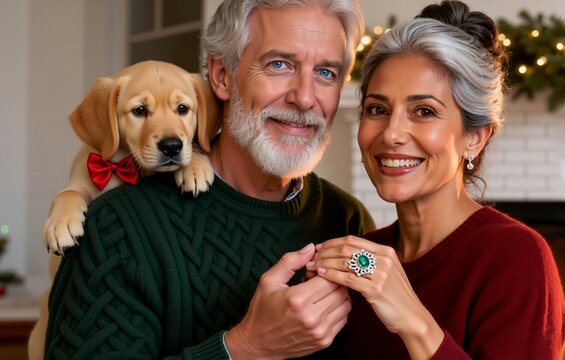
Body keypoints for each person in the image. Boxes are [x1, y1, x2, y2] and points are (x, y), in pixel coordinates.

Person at [43, 0, 374, 358]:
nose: (305, 98)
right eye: (279, 64)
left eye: (326, 73)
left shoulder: (349, 219)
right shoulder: (115, 229)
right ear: (221, 76)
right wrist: (244, 347)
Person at [308, 1, 565, 358]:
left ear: (475, 137)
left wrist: (412, 319)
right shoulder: (361, 258)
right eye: (377, 109)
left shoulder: (517, 259)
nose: (392, 133)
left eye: (425, 111)